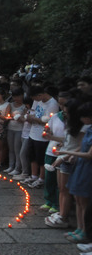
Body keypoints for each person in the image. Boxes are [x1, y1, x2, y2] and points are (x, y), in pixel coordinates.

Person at [45, 98, 86, 228]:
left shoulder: (83, 127)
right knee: (61, 188)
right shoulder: (70, 124)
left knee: (67, 190)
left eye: (67, 112)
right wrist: (52, 138)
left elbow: (81, 145)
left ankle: (64, 216)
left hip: (70, 159)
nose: (64, 113)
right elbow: (68, 139)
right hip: (62, 155)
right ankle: (61, 212)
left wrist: (64, 157)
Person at [59, 101, 92, 246]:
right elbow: (81, 147)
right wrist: (70, 155)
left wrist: (66, 152)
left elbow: (89, 154)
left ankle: (85, 231)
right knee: (77, 198)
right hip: (80, 165)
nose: (80, 119)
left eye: (83, 116)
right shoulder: (89, 128)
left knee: (84, 200)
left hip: (88, 168)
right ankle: (79, 228)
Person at [23, 85, 60, 188]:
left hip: (42, 135)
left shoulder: (52, 104)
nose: (35, 100)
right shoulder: (37, 101)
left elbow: (49, 121)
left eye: (35, 98)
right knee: (32, 156)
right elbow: (34, 112)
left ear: (40, 95)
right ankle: (34, 176)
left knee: (41, 159)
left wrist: (34, 119)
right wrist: (29, 117)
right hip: (33, 132)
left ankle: (41, 179)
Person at [6, 88, 26, 175]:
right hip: (10, 128)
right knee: (11, 148)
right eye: (14, 97)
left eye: (17, 97)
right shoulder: (11, 105)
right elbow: (7, 115)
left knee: (17, 148)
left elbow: (25, 118)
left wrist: (19, 117)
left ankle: (18, 168)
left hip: (19, 129)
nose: (16, 99)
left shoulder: (24, 106)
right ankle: (11, 166)